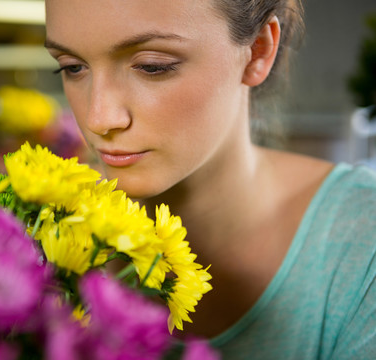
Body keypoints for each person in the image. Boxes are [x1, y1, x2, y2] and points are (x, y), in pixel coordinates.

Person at [44, 1, 376, 359]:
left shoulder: (361, 250)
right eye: (73, 67)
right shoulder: (31, 237)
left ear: (257, 52)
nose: (98, 119)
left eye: (153, 67)